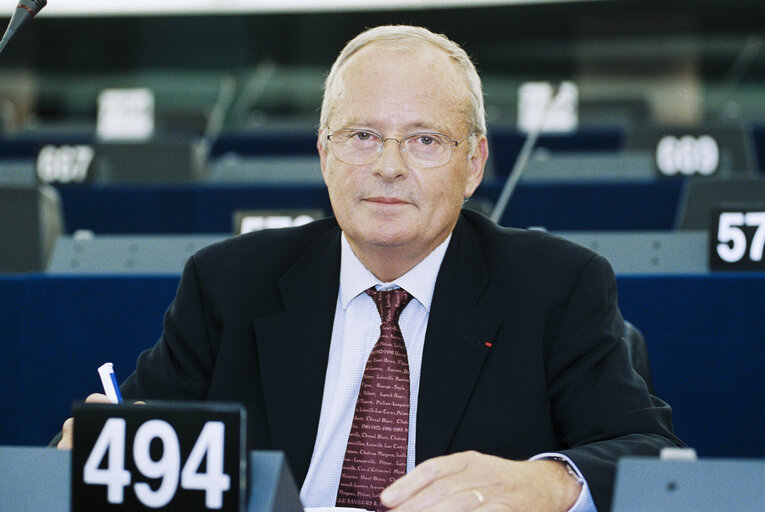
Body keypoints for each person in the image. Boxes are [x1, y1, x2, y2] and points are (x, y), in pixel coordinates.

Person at [57, 25, 682, 512]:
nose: (387, 165)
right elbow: (133, 433)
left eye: (424, 140)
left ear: (474, 164)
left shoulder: (553, 286)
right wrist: (98, 450)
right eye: (361, 136)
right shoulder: (229, 284)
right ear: (323, 153)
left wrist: (543, 485)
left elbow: (655, 457)